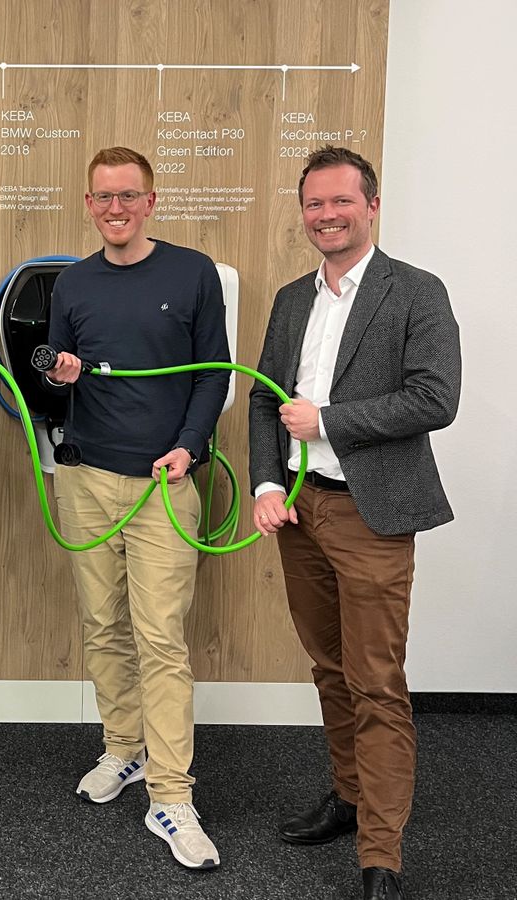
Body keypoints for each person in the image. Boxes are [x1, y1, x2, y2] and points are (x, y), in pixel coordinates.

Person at [249, 146, 460, 900]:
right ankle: (348, 796)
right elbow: (262, 399)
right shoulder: (290, 299)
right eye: (314, 204)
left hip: (371, 514)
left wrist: (328, 421)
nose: (327, 216)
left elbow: (436, 398)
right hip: (299, 513)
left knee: (376, 683)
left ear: (371, 205)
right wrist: (268, 480)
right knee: (329, 668)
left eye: (341, 202)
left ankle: (382, 854)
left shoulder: (416, 292)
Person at [45, 146, 230, 870]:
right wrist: (60, 373)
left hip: (165, 484)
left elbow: (214, 374)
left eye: (128, 196)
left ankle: (172, 794)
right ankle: (122, 750)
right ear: (89, 205)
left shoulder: (192, 273)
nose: (114, 208)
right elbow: (60, 373)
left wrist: (187, 447)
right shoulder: (74, 283)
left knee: (160, 638)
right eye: (102, 198)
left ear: (151, 201)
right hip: (87, 480)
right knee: (102, 627)